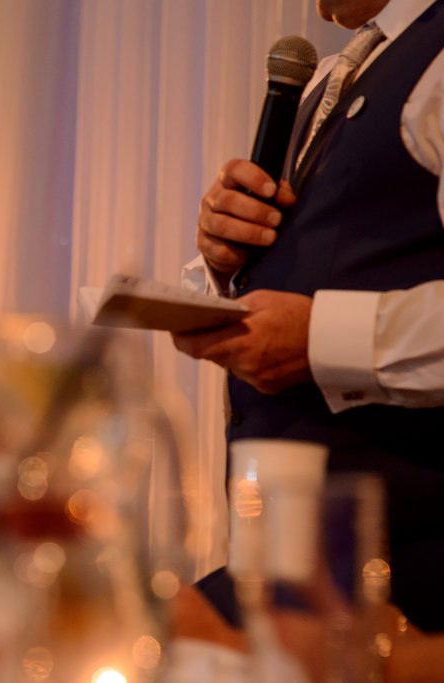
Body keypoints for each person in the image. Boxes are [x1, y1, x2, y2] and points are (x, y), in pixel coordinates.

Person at [173, 0, 444, 634]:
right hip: (296, 573)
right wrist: (221, 256)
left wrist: (321, 339)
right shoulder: (328, 76)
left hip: (412, 584)